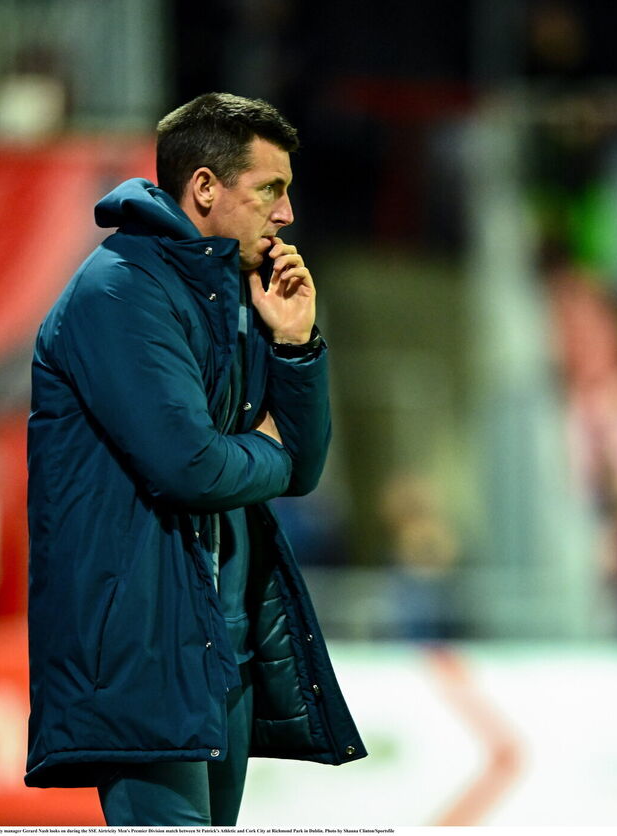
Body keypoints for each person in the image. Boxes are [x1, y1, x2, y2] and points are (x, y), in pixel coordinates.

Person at [24, 92, 365, 826]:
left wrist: (296, 344)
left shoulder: (233, 297)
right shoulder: (119, 290)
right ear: (205, 187)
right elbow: (194, 469)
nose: (286, 215)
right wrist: (267, 446)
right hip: (145, 653)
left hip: (220, 651)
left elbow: (299, 470)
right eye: (270, 189)